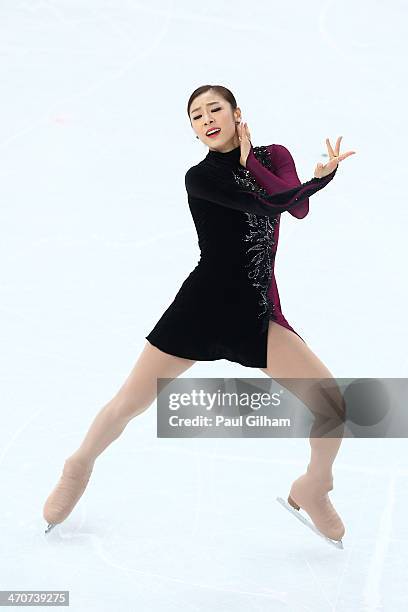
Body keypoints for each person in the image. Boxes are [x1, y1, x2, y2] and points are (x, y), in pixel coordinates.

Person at [43, 84, 356, 545]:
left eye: (215, 109)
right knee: (130, 402)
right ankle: (79, 463)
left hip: (255, 315)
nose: (207, 119)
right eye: (196, 116)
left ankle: (314, 486)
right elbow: (271, 204)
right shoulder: (201, 177)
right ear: (193, 130)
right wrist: (319, 178)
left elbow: (297, 205)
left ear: (236, 114)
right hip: (202, 308)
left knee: (332, 406)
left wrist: (259, 163)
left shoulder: (273, 156)